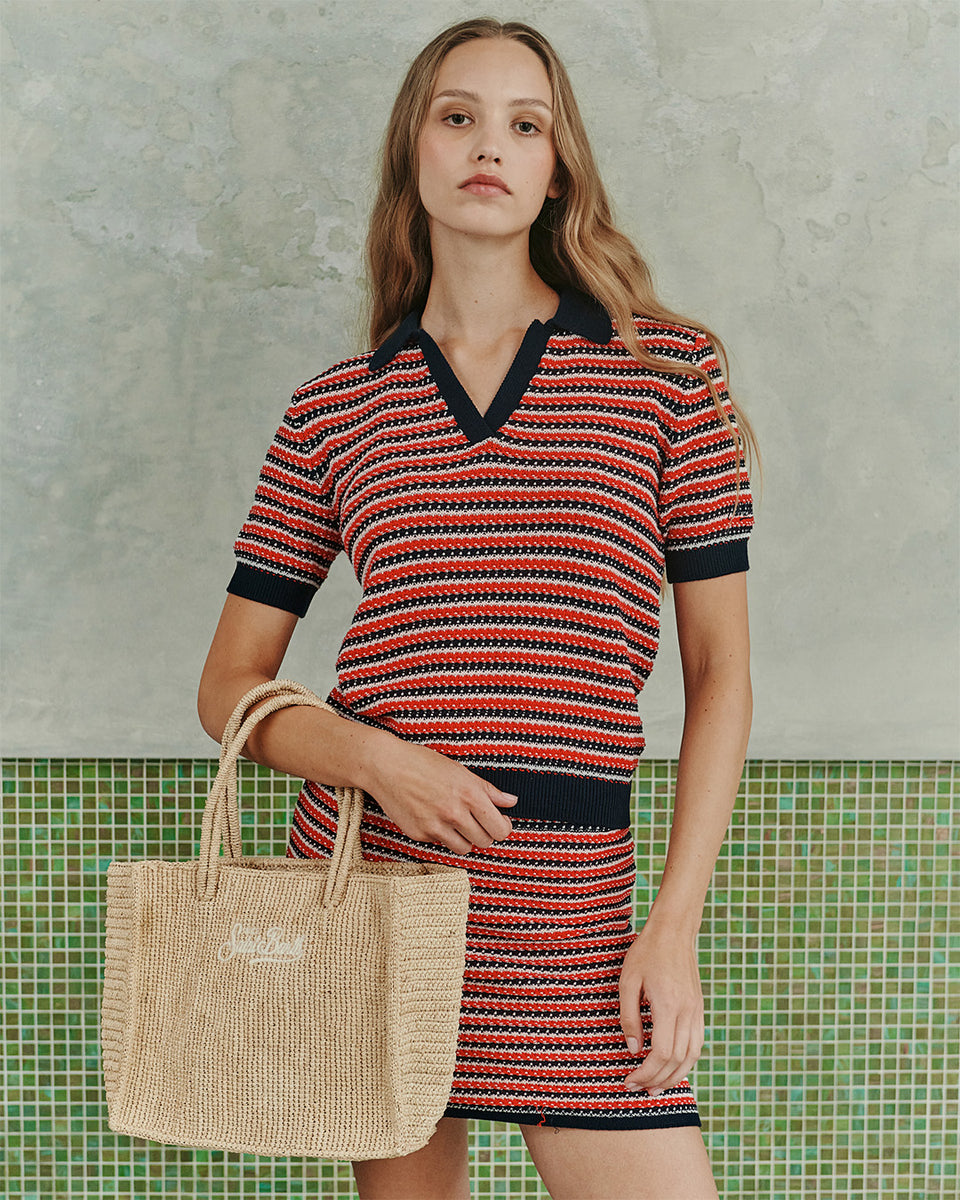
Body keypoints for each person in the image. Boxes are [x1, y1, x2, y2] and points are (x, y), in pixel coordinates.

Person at [198, 17, 756, 1200]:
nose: (488, 146)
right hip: (376, 889)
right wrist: (375, 760)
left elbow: (721, 676)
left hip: (573, 907)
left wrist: (672, 926)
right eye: (458, 117)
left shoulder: (667, 376)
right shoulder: (334, 411)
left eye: (525, 124)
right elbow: (228, 685)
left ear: (558, 169)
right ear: (415, 152)